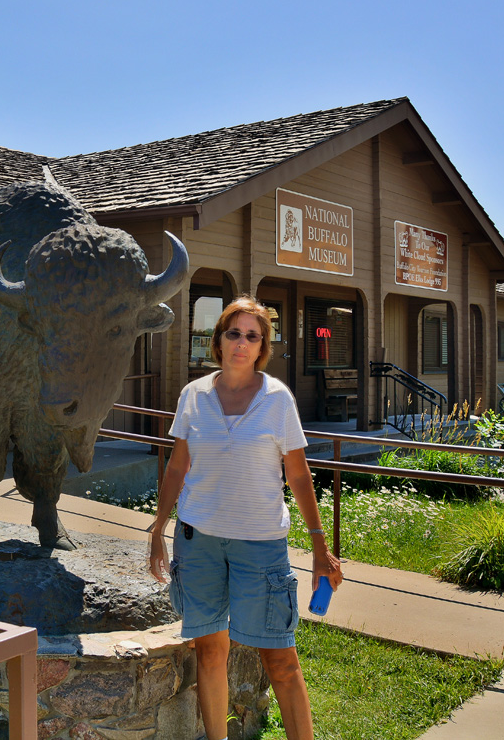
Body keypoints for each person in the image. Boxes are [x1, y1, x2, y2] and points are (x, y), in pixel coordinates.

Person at [148, 296, 342, 740]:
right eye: (233, 333)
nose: (241, 342)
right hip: (198, 543)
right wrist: (158, 527)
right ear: (218, 340)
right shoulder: (193, 396)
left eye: (251, 336)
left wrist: (319, 548)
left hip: (260, 545)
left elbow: (298, 474)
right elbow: (178, 466)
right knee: (210, 653)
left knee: (280, 659)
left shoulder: (278, 400)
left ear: (262, 347)